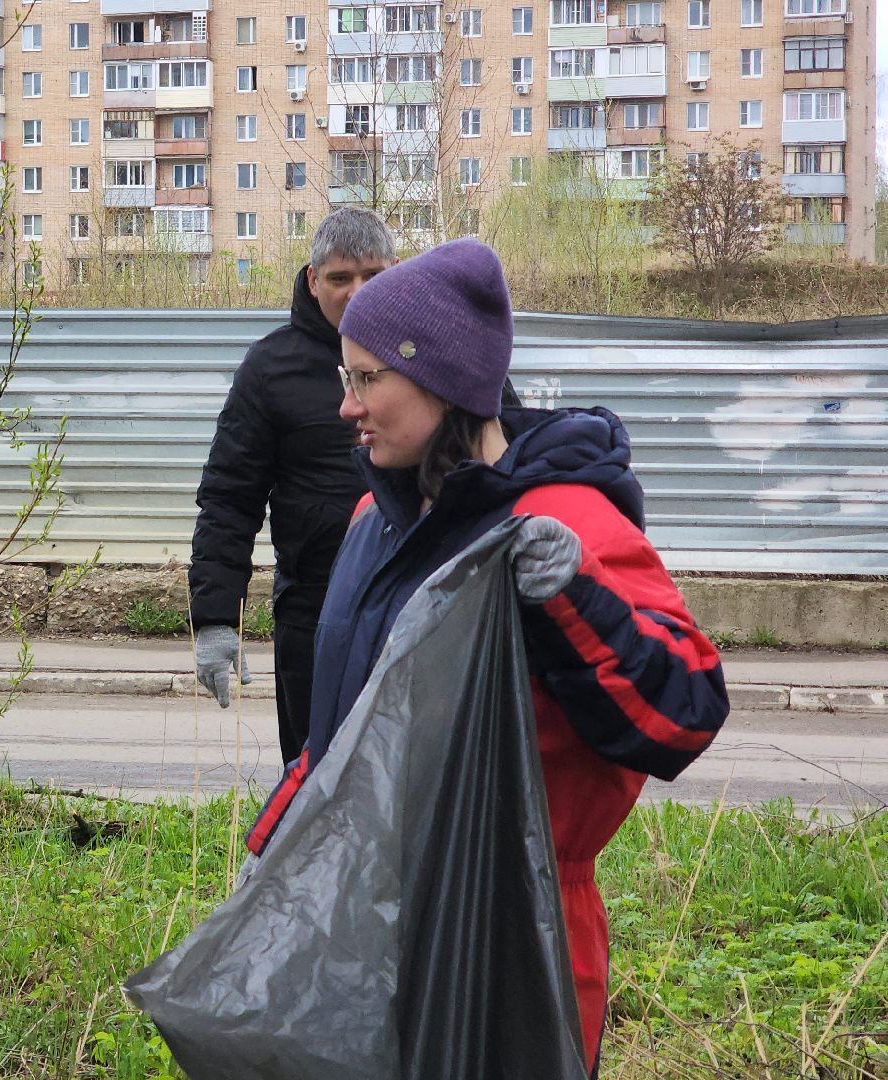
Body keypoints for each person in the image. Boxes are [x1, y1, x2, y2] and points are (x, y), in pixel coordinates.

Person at [241, 238, 730, 1073]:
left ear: (442, 381)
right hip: (370, 930)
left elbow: (684, 712)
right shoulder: (372, 522)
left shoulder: (564, 522)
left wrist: (573, 595)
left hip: (515, 945)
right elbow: (347, 733)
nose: (346, 407)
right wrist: (277, 847)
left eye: (366, 379)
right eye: (343, 378)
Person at [188, 209, 396, 763]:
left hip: (416, 606)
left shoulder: (432, 352)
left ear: (396, 273)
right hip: (314, 614)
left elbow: (502, 454)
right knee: (313, 780)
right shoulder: (270, 368)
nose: (357, 293)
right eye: (340, 278)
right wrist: (215, 618)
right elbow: (230, 496)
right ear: (313, 279)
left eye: (373, 276)